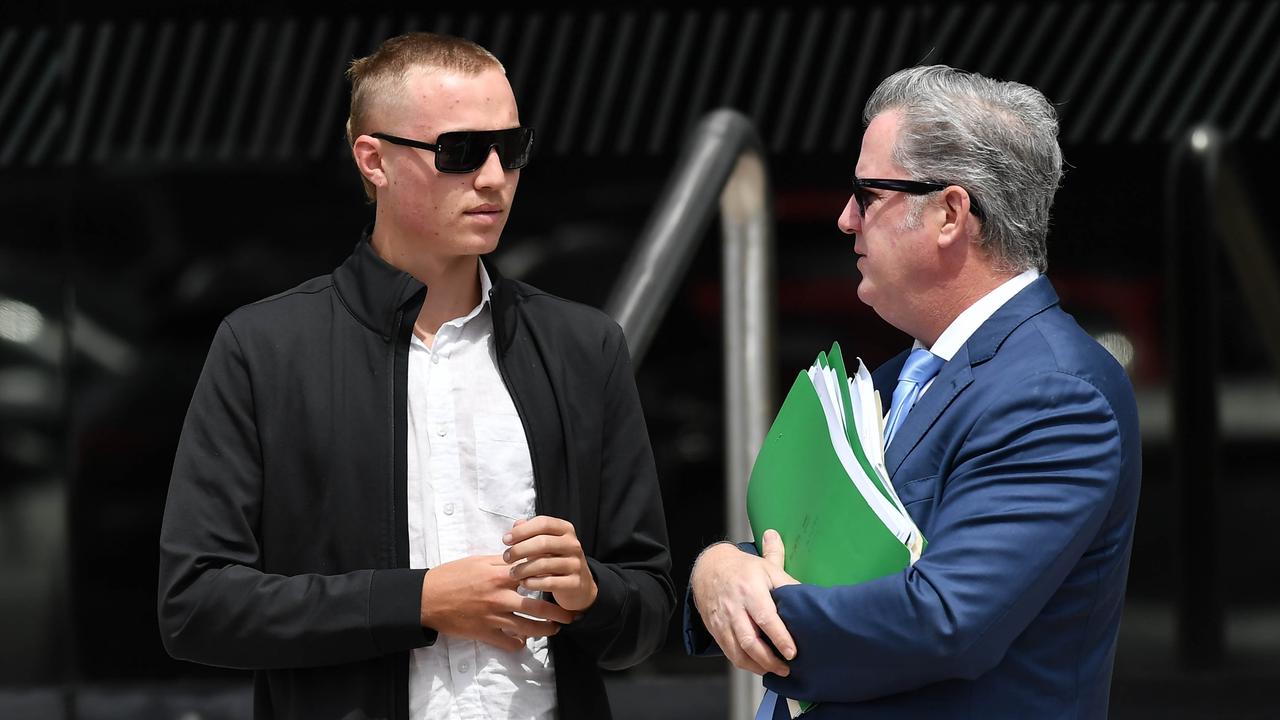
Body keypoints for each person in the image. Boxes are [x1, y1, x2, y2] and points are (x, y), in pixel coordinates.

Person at [158, 32, 674, 720]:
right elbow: (196, 606)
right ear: (374, 160)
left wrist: (591, 592)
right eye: (461, 152)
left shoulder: (584, 346)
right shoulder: (264, 348)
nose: (493, 177)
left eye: (511, 149)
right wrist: (421, 601)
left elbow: (649, 606)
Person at [686, 65, 1141, 718]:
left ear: (951, 213)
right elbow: (827, 554)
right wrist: (721, 571)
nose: (845, 220)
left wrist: (752, 603)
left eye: (867, 194)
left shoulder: (1055, 393)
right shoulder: (912, 370)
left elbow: (945, 620)